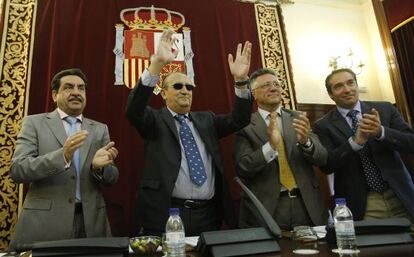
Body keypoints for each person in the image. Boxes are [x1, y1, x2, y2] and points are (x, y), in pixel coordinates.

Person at [125, 29, 253, 236]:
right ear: (164, 93)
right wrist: (157, 64)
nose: (185, 90)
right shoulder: (154, 121)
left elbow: (240, 119)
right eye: (177, 86)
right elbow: (134, 109)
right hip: (167, 213)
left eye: (189, 87)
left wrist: (240, 81)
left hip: (209, 215)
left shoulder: (207, 120)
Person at [9, 68, 119, 251]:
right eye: (68, 87)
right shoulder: (34, 123)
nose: (76, 92)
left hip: (91, 224)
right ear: (54, 95)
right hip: (45, 225)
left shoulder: (100, 129)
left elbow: (113, 177)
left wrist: (98, 168)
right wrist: (62, 156)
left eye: (81, 88)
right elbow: (18, 170)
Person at [313, 68, 414, 222]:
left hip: (401, 195)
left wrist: (381, 132)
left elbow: (410, 143)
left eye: (350, 83)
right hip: (363, 204)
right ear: (331, 95)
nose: (347, 89)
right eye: (339, 86)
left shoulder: (385, 109)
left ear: (357, 85)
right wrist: (355, 143)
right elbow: (327, 165)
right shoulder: (323, 125)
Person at [233, 68, 328, 230]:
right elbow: (243, 167)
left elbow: (322, 158)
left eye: (277, 84)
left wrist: (306, 142)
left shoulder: (298, 117)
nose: (273, 88)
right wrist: (270, 146)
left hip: (306, 205)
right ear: (253, 93)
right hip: (267, 208)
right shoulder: (245, 124)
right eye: (266, 85)